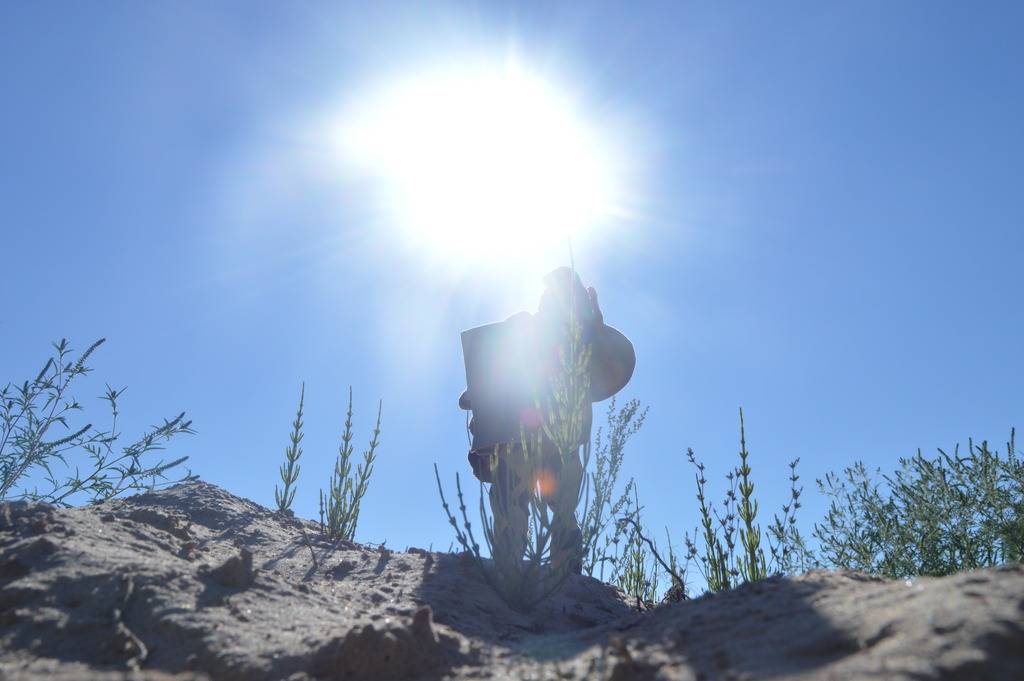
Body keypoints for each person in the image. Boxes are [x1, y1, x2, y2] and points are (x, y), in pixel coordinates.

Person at [458, 267, 636, 574]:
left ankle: (559, 579)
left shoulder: (580, 337)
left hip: (556, 442)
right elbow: (493, 370)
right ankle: (517, 573)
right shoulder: (526, 329)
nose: (548, 302)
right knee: (513, 505)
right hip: (517, 438)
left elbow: (602, 361)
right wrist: (479, 395)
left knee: (556, 512)